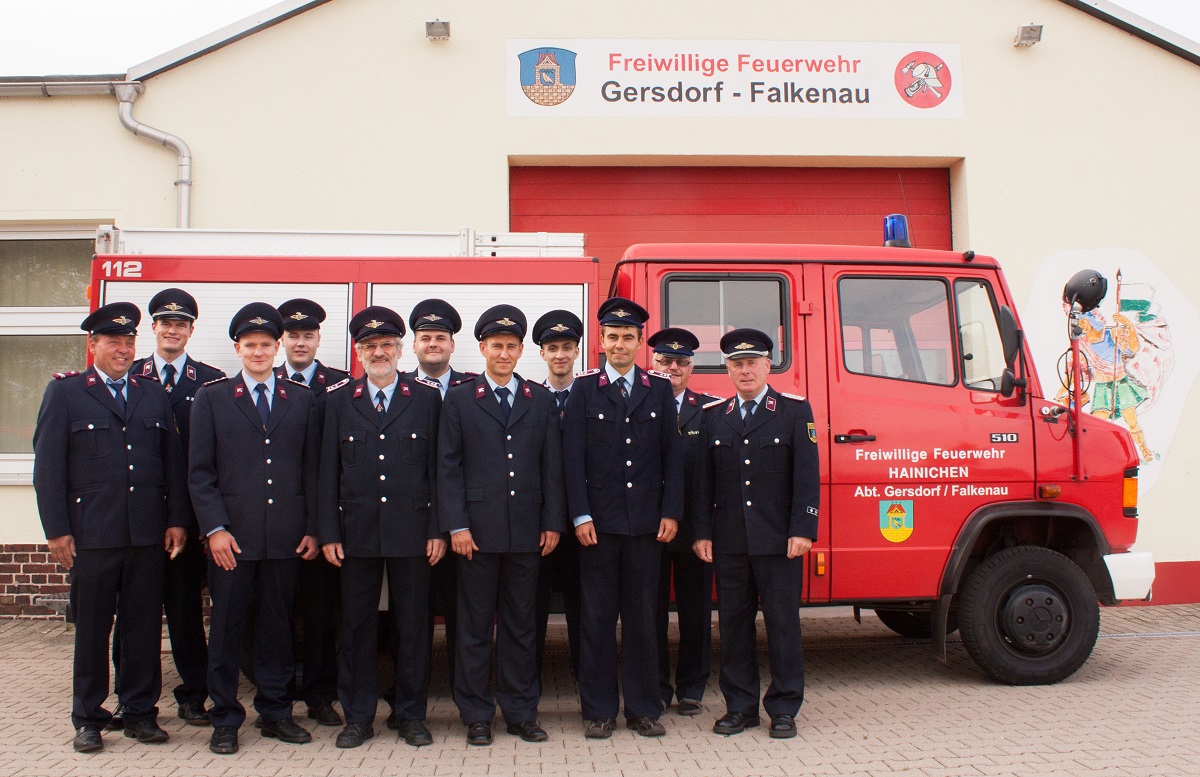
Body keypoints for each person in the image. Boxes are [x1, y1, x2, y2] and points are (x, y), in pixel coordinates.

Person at [32, 301, 188, 753]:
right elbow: (49, 469)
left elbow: (171, 462)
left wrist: (176, 518)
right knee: (93, 630)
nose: (123, 349)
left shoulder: (150, 392)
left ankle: (139, 713)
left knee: (142, 628)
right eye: (113, 341)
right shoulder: (66, 392)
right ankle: (88, 718)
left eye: (128, 341)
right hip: (92, 535)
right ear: (93, 344)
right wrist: (57, 530)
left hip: (145, 533)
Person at [189, 302, 321, 755]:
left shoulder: (301, 399)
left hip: (285, 537)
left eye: (267, 344)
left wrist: (311, 527)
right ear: (237, 348)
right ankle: (224, 717)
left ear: (278, 345)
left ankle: (276, 713)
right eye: (251, 345)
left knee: (277, 627)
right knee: (226, 629)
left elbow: (311, 470)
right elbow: (200, 472)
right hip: (233, 539)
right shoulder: (212, 397)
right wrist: (215, 529)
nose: (259, 352)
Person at [438, 305, 566, 746]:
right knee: (474, 628)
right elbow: (448, 467)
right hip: (475, 533)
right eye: (497, 346)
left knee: (521, 627)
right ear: (482, 348)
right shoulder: (459, 399)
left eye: (512, 346)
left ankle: (520, 712)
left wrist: (553, 522)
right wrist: (455, 525)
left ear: (520, 351)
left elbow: (552, 468)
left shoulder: (540, 399)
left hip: (528, 533)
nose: (505, 353)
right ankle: (475, 713)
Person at [318, 306, 444, 749]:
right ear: (359, 352)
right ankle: (358, 717)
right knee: (356, 628)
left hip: (413, 532)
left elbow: (437, 470)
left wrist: (437, 529)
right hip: (356, 533)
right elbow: (326, 473)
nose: (379, 352)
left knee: (413, 627)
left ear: (399, 348)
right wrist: (329, 532)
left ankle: (410, 715)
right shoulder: (337, 400)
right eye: (370, 346)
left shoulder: (426, 399)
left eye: (386, 345)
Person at [562, 297, 684, 739]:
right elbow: (571, 460)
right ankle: (598, 711)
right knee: (595, 620)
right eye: (612, 336)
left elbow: (672, 459)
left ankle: (643, 709)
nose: (619, 344)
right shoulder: (583, 388)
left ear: (639, 344)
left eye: (628, 337)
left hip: (647, 527)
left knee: (642, 619)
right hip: (598, 527)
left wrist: (671, 511)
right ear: (601, 340)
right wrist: (579, 515)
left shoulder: (657, 389)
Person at [692, 329, 819, 740]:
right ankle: (740, 707)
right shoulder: (715, 416)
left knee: (783, 625)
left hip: (778, 541)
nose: (744, 370)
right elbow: (704, 484)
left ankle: (783, 708)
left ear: (768, 365)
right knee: (733, 626)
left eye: (752, 363)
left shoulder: (794, 411)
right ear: (727, 368)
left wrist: (803, 528)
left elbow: (807, 478)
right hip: (729, 541)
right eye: (736, 363)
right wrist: (702, 532)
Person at [119, 288, 224, 728]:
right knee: (132, 614)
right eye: (166, 323)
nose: (173, 330)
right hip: (139, 515)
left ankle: (192, 694)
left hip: (191, 518)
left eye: (181, 324)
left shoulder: (211, 379)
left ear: (191, 330)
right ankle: (129, 698)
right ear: (154, 328)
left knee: (185, 611)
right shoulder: (132, 376)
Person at [275, 297, 351, 729]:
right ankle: (280, 696)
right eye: (293, 335)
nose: (300, 342)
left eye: (308, 335)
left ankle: (321, 696)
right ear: (282, 339)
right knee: (277, 615)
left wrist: (325, 527)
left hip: (324, 521)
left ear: (320, 339)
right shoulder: (263, 378)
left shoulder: (339, 384)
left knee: (323, 615)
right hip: (278, 521)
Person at [647, 326, 719, 717]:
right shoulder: (639, 403)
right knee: (649, 611)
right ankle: (657, 686)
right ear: (652, 363)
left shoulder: (709, 410)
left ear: (691, 368)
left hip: (694, 530)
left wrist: (706, 528)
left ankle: (692, 687)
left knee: (696, 612)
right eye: (665, 360)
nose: (672, 367)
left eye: (681, 362)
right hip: (649, 527)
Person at [404, 298, 472, 712]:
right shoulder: (398, 390)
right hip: (416, 528)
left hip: (466, 526)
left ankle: (464, 689)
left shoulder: (471, 389)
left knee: (466, 617)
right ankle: (410, 693)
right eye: (425, 337)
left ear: (452, 344)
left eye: (440, 338)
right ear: (413, 345)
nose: (433, 344)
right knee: (413, 618)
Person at [531, 309, 585, 685]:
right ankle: (527, 680)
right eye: (553, 348)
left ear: (577, 351)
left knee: (585, 607)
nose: (560, 354)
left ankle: (587, 679)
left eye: (567, 347)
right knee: (531, 607)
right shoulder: (530, 398)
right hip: (539, 523)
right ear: (542, 354)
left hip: (584, 523)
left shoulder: (593, 397)